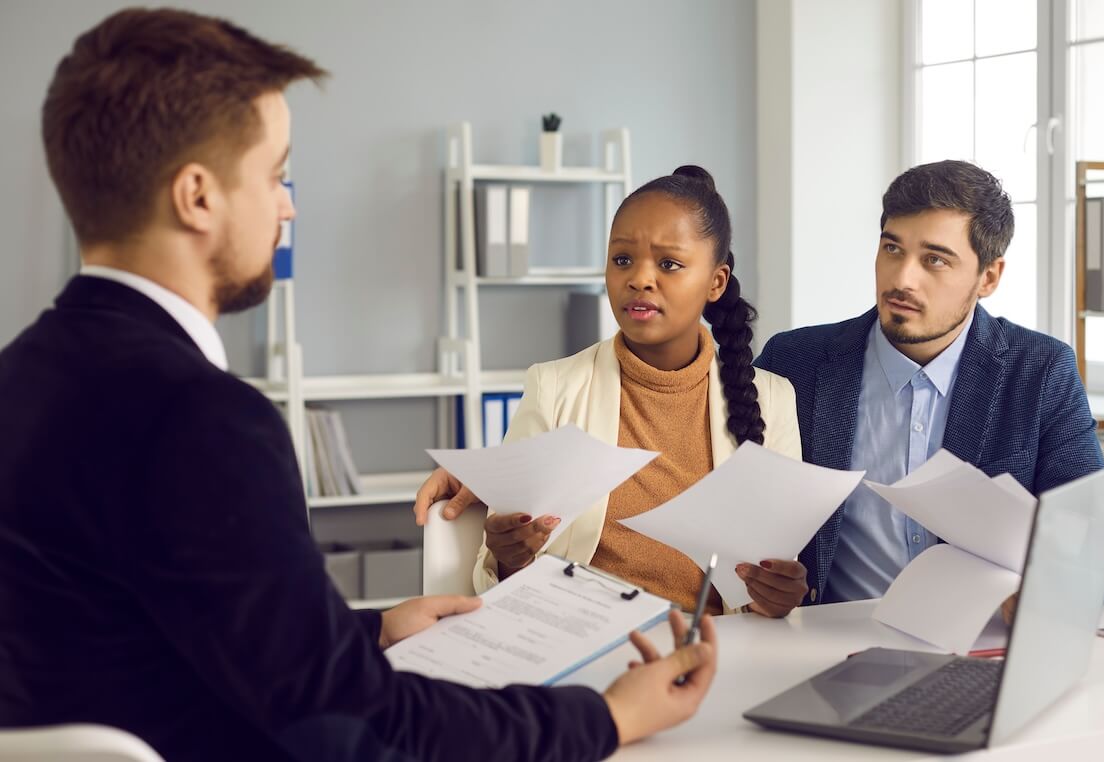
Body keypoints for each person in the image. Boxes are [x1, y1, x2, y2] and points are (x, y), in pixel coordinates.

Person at [0, 9, 716, 761]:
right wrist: (605, 720)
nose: (288, 204)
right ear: (198, 197)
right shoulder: (204, 420)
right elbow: (362, 726)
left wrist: (364, 633)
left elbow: (145, 626)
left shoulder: (22, 380)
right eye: (276, 175)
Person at [414, 167, 808, 617]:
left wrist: (777, 595)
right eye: (622, 260)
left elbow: (771, 582)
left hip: (712, 651)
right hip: (579, 645)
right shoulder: (553, 388)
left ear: (716, 282)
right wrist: (509, 556)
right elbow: (501, 577)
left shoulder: (773, 399)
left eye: (668, 264)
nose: (639, 278)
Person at [754, 159, 1104, 608]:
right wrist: (768, 582)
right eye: (892, 249)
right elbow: (744, 516)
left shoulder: (1040, 370)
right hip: (827, 644)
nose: (901, 279)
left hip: (975, 645)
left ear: (988, 277)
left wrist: (1049, 594)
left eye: (934, 259)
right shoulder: (796, 362)